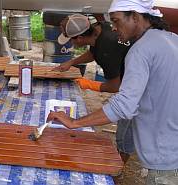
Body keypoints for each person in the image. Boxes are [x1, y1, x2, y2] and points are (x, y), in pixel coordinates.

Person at [47, 0, 178, 184]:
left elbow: (124, 105)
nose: (114, 28)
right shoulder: (170, 38)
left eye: (116, 21)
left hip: (165, 155)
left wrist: (74, 122)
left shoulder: (141, 50)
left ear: (135, 16)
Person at [53, 13, 135, 163]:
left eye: (71, 39)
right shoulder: (100, 27)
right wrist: (71, 62)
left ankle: (119, 168)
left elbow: (118, 85)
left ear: (79, 38)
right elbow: (93, 53)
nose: (71, 43)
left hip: (146, 87)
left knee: (125, 132)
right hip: (137, 73)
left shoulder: (107, 48)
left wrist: (91, 85)